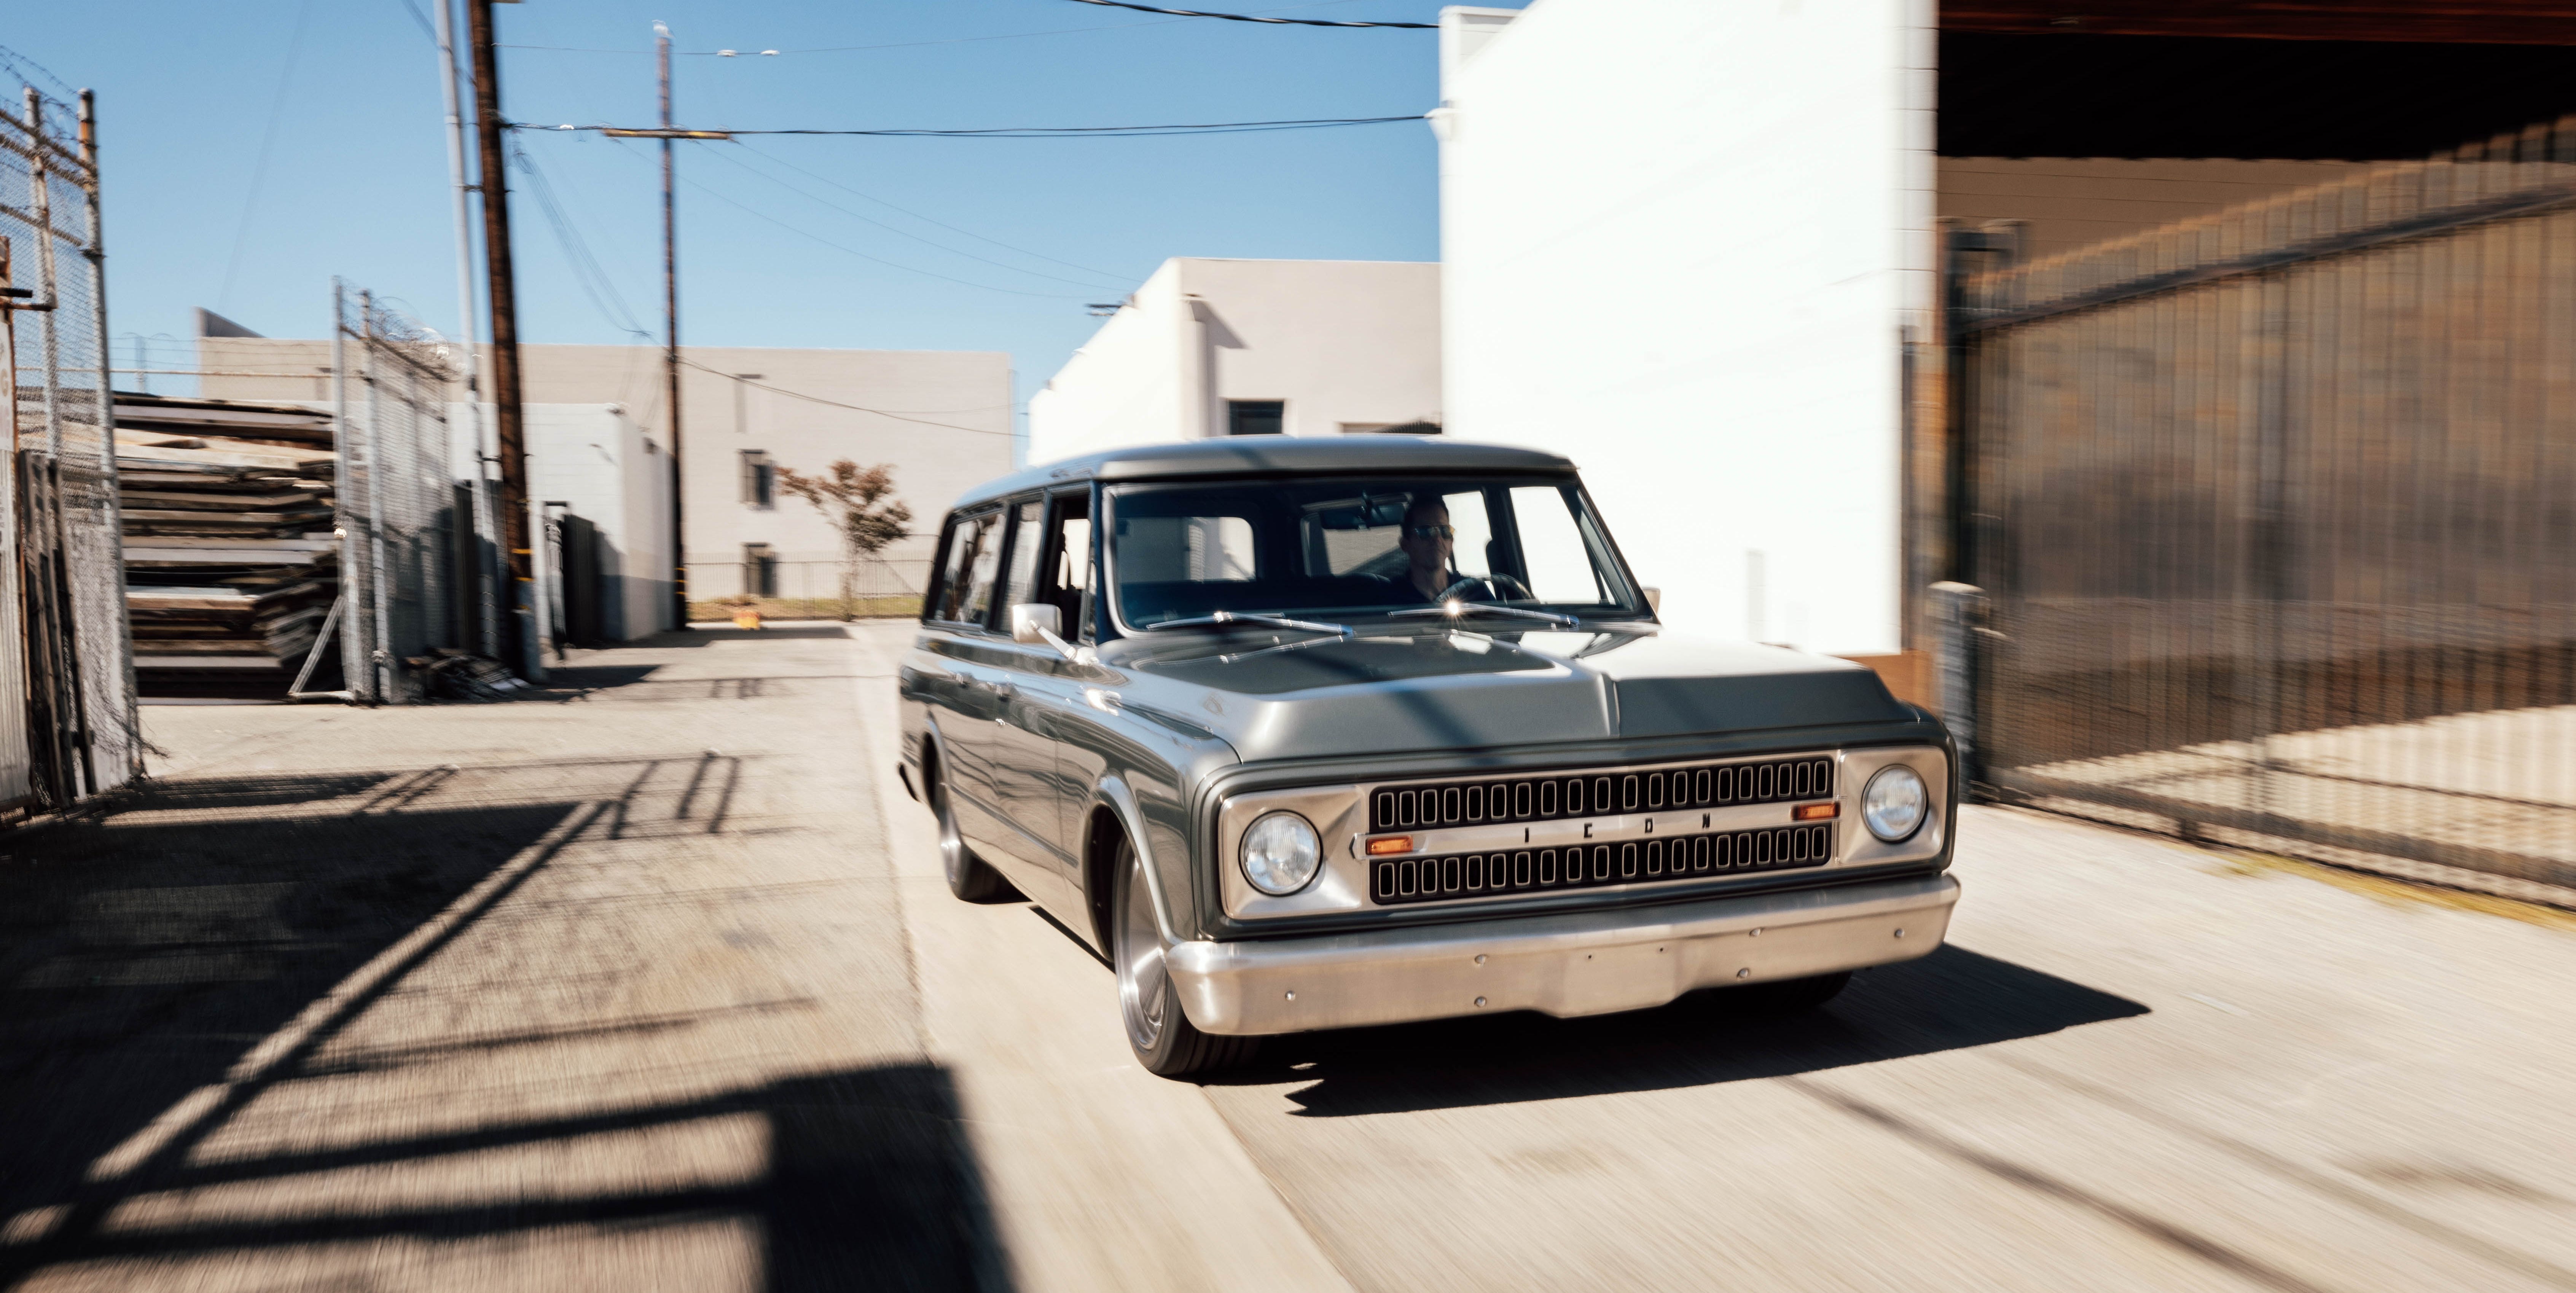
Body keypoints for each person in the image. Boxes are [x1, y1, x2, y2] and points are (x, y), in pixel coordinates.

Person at [1398, 495, 1459, 602]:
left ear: (1451, 543)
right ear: (1405, 545)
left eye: (1444, 531)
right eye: (1425, 531)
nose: (1438, 539)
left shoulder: (1476, 593)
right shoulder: (1387, 599)